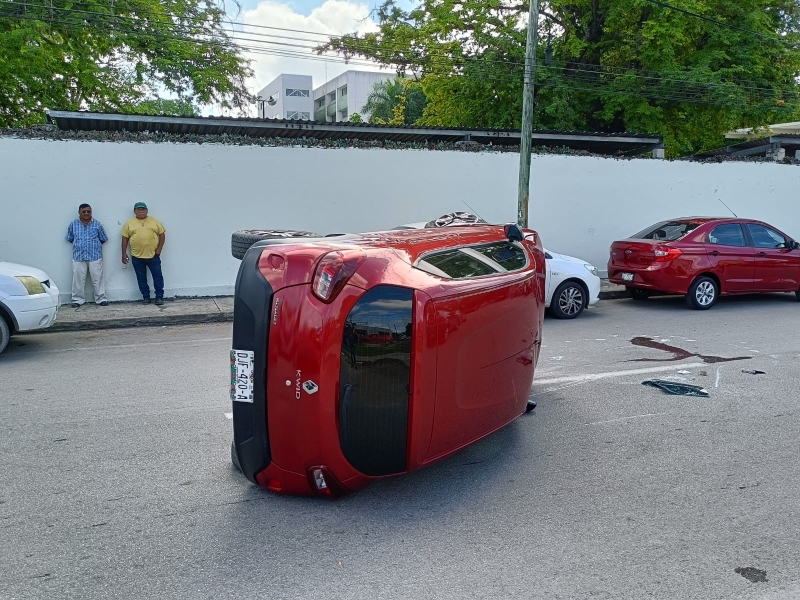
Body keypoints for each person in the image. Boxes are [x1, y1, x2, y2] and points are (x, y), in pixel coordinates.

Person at [121, 202, 166, 305]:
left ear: (147, 210)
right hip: (137, 256)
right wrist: (123, 253)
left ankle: (159, 297)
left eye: (142, 209)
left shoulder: (154, 221)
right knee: (141, 278)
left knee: (158, 276)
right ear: (134, 211)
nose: (140, 211)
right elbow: (125, 238)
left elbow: (162, 234)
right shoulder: (129, 223)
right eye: (138, 209)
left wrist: (159, 249)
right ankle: (146, 297)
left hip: (153, 256)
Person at [65, 203, 108, 307]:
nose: (86, 213)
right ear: (79, 212)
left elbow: (103, 238)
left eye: (88, 211)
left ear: (91, 212)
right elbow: (70, 238)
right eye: (83, 211)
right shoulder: (73, 224)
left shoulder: (97, 224)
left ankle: (101, 299)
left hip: (95, 257)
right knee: (78, 279)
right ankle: (77, 300)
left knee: (97, 279)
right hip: (79, 257)